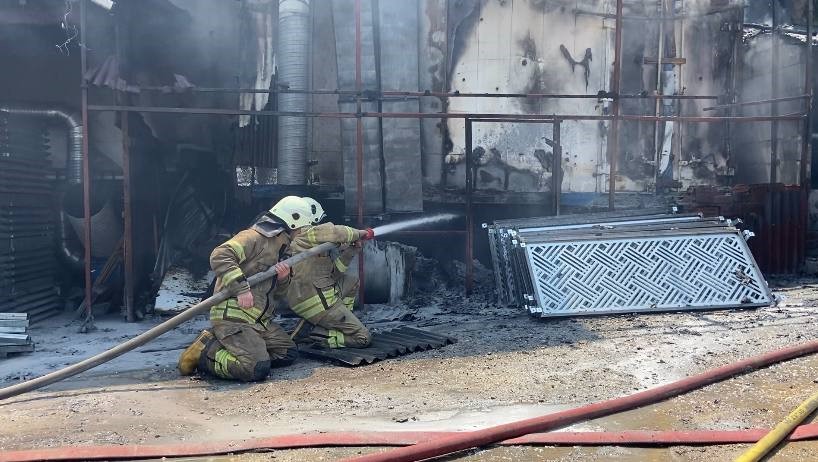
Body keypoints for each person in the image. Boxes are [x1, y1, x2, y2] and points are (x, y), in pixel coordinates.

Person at [177, 196, 313, 381]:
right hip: (235, 316)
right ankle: (206, 351)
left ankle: (238, 346)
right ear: (293, 221)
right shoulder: (255, 237)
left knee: (287, 354)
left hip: (258, 321)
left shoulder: (283, 248)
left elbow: (279, 295)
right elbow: (220, 255)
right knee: (255, 369)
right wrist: (242, 288)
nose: (302, 232)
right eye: (302, 228)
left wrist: (282, 278)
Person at [286, 197, 374, 349]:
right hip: (315, 301)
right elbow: (335, 232)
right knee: (363, 338)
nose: (319, 224)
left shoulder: (311, 244)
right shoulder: (305, 235)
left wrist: (351, 252)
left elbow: (333, 275)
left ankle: (338, 322)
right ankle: (318, 337)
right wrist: (361, 233)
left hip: (320, 294)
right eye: (317, 221)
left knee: (352, 281)